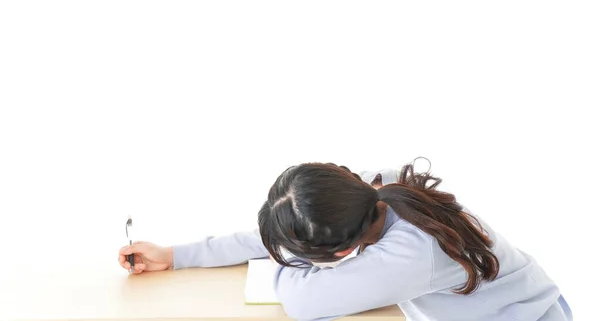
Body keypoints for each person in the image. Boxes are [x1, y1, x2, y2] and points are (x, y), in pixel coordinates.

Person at [118, 160, 572, 321]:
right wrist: (177, 256)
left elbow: (301, 302)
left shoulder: (410, 256)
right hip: (514, 297)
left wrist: (285, 258)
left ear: (339, 253)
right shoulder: (371, 186)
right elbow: (288, 229)